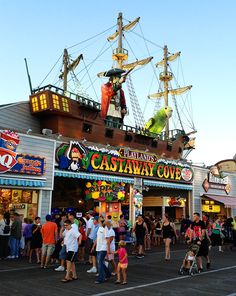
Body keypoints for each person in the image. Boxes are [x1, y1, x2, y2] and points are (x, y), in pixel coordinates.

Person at [95, 217, 111, 284]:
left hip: (103, 248)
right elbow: (98, 238)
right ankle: (108, 273)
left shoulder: (105, 229)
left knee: (100, 263)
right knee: (100, 262)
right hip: (99, 248)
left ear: (99, 221)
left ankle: (101, 278)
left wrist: (108, 249)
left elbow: (108, 240)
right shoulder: (99, 228)